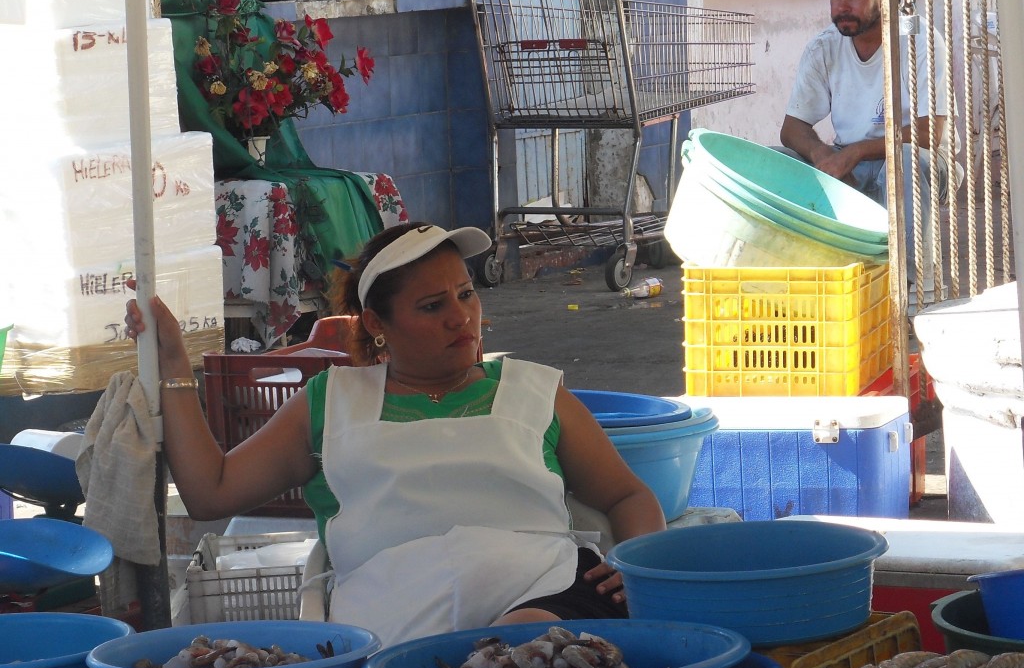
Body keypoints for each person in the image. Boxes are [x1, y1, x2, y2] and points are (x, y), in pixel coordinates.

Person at [125, 221, 667, 646]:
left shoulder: (536, 392)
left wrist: (639, 566)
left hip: (548, 598)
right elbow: (209, 491)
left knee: (518, 653)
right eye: (433, 306)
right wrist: (174, 363)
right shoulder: (330, 404)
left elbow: (626, 495)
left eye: (466, 294)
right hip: (391, 627)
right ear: (378, 326)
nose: (462, 318)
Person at [780, 0, 959, 288]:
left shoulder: (920, 39)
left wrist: (857, 151)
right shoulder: (823, 47)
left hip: (919, 161)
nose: (842, 7)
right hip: (850, 161)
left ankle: (915, 288)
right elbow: (791, 128)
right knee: (778, 162)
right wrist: (823, 155)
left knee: (904, 161)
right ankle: (797, 284)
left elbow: (929, 132)